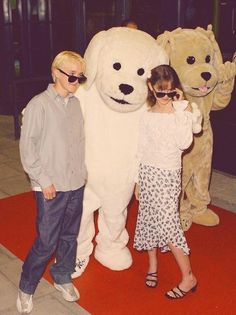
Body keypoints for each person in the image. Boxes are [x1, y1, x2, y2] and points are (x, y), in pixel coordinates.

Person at [16, 50, 87, 314]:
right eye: (71, 74)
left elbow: (77, 143)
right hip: (50, 186)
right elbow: (28, 148)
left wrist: (82, 173)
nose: (75, 80)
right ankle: (26, 286)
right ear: (56, 72)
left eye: (80, 76)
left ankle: (63, 276)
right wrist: (43, 180)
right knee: (46, 242)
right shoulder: (39, 105)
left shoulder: (77, 104)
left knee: (69, 236)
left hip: (75, 183)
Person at [133, 64, 198, 299]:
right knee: (148, 220)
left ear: (176, 90)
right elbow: (140, 150)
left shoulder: (181, 113)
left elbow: (184, 143)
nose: (164, 97)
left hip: (168, 176)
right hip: (148, 174)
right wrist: (137, 181)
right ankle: (153, 265)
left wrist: (181, 109)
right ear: (151, 87)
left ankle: (188, 277)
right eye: (160, 92)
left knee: (169, 228)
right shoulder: (147, 116)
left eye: (170, 92)